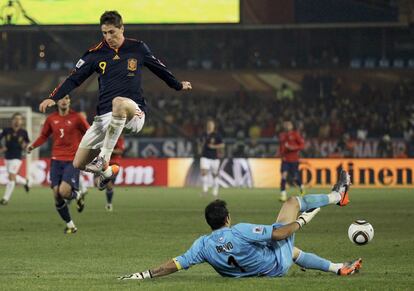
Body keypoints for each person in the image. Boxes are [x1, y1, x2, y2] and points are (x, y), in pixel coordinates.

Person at [38, 10, 192, 190]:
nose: (108, 37)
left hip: (133, 113)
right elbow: (74, 78)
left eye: (112, 32)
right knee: (78, 163)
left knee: (119, 102)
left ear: (122, 28)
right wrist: (53, 97)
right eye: (104, 33)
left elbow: (159, 68)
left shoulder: (138, 48)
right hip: (104, 119)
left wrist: (177, 85)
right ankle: (107, 172)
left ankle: (104, 158)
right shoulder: (94, 54)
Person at [119, 170, 362, 280]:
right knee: (291, 202)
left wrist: (146, 274)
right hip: (274, 266)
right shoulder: (240, 230)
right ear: (227, 218)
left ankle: (338, 268)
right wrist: (301, 221)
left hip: (261, 269)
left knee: (294, 251)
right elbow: (278, 235)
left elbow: (176, 264)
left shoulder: (202, 245)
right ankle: (337, 196)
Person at [27, 95, 90, 234]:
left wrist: (89, 152)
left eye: (67, 98)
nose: (64, 101)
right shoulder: (51, 119)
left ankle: (76, 194)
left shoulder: (77, 117)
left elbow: (90, 133)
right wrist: (33, 146)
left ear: (69, 101)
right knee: (56, 194)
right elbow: (44, 135)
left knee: (63, 191)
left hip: (72, 160)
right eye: (61, 98)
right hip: (56, 160)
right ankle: (71, 225)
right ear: (57, 102)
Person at [0, 113, 30, 205]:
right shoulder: (6, 130)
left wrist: (25, 146)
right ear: (12, 120)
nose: (17, 120)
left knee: (12, 176)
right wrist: (2, 147)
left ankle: (5, 199)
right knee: (11, 176)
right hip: (7, 156)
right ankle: (25, 181)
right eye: (16, 119)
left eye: (19, 119)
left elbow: (27, 141)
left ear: (21, 121)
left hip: (17, 157)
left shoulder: (23, 132)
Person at [95, 135, 124, 212]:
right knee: (98, 185)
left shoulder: (118, 136)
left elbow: (120, 151)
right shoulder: (101, 135)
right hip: (101, 162)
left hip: (113, 164)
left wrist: (108, 150)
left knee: (109, 185)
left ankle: (109, 203)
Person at [278, 121, 305, 202]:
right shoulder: (282, 135)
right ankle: (283, 195)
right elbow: (281, 146)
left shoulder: (295, 134)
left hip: (294, 159)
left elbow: (302, 145)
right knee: (283, 176)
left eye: (289, 124)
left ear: (292, 126)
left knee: (295, 177)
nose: (287, 125)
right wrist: (280, 153)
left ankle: (301, 188)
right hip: (285, 160)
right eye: (285, 124)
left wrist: (292, 148)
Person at [198, 119, 224, 197]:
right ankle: (205, 190)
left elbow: (222, 145)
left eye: (211, 125)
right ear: (207, 126)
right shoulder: (203, 134)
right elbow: (199, 143)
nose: (210, 126)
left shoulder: (217, 135)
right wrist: (199, 148)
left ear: (213, 126)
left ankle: (215, 191)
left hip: (214, 157)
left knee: (215, 174)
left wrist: (214, 146)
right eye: (209, 124)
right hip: (205, 156)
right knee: (204, 172)